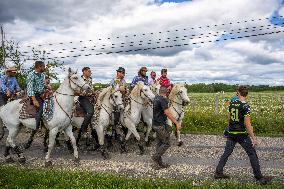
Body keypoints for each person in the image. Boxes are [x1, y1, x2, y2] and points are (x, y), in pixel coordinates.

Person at [215, 86, 272, 185]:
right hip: (242, 135)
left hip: (231, 133)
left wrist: (231, 127)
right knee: (252, 154)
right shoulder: (246, 106)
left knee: (227, 153)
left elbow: (229, 118)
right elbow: (247, 124)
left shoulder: (231, 104)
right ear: (247, 94)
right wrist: (253, 138)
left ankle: (218, 172)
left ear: (238, 92)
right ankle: (259, 177)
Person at [151, 86, 182, 169]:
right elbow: (167, 113)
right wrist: (177, 123)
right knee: (167, 143)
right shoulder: (163, 99)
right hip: (160, 125)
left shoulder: (156, 98)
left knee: (160, 143)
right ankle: (155, 157)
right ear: (166, 92)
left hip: (155, 124)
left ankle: (159, 163)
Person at [109, 67, 128, 138]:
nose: (123, 74)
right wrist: (117, 90)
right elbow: (110, 89)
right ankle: (113, 129)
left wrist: (125, 91)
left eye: (124, 73)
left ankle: (125, 125)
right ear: (118, 73)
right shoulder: (113, 80)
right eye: (122, 73)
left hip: (122, 98)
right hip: (115, 99)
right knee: (115, 114)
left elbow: (126, 90)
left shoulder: (124, 81)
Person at [78, 67, 94, 138]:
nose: (90, 73)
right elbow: (78, 90)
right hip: (83, 98)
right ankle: (83, 129)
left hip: (91, 97)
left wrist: (94, 92)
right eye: (89, 71)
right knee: (90, 112)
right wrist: (86, 94)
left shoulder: (90, 79)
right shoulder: (79, 79)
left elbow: (91, 88)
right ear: (84, 72)